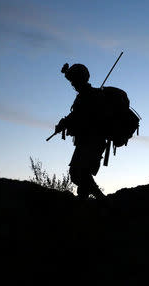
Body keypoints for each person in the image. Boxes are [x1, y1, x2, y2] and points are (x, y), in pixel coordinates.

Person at [55, 63, 111, 199]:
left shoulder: (89, 95)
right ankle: (89, 205)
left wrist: (65, 122)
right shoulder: (86, 95)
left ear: (79, 79)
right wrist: (65, 122)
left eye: (73, 80)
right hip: (87, 141)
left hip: (92, 141)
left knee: (78, 173)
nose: (72, 84)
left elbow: (82, 116)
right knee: (81, 175)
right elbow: (77, 115)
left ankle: (102, 200)